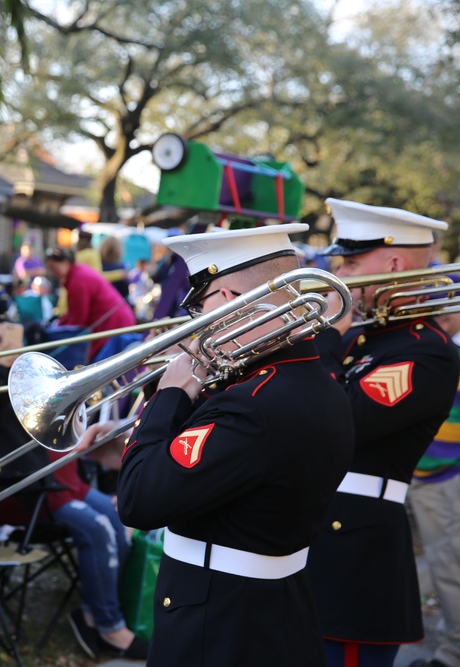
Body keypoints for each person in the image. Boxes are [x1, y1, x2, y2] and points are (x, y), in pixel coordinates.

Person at [114, 223, 354, 667]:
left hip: (218, 625)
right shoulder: (309, 382)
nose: (195, 324)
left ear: (225, 300)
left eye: (199, 307)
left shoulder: (253, 405)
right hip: (268, 610)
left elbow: (137, 500)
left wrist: (170, 394)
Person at [306, 199, 460, 667]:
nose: (338, 271)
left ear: (393, 264)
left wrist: (326, 338)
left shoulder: (426, 352)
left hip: (353, 556)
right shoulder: (362, 336)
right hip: (307, 536)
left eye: (350, 262)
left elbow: (336, 420)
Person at [0, 314, 147, 661]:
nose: (6, 349)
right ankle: (110, 628)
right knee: (98, 529)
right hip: (13, 494)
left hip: (50, 483)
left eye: (13, 341)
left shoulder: (28, 381)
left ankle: (91, 614)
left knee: (119, 521)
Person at [406, 305, 460, 667]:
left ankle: (456, 657)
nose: (438, 313)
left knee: (454, 572)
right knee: (447, 570)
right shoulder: (439, 341)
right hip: (425, 475)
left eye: (448, 304)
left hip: (453, 481)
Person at [44, 246, 136, 361]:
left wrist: (58, 328)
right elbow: (75, 314)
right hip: (114, 321)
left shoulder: (78, 279)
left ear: (65, 262)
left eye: (53, 268)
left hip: (113, 324)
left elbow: (79, 319)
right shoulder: (77, 273)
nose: (52, 273)